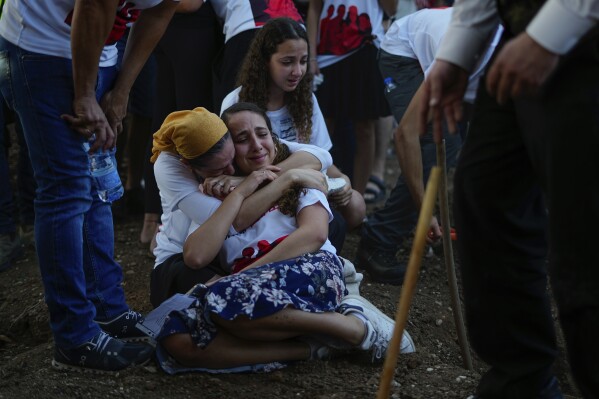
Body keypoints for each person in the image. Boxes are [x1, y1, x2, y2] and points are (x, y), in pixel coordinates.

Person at [150, 103, 415, 374]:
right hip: (253, 292)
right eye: (242, 139)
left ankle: (355, 328)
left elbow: (315, 233)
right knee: (176, 337)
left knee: (223, 299)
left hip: (307, 270)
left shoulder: (300, 180)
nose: (256, 145)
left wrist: (245, 275)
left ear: (274, 138)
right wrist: (240, 191)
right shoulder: (215, 198)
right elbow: (195, 255)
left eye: (262, 134)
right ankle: (315, 349)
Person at [420, 0, 599, 397]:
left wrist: (549, 35)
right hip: (522, 37)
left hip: (582, 36)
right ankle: (523, 383)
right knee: (486, 199)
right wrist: (457, 52)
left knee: (584, 237)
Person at [0, 0, 178, 372]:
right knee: (66, 191)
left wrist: (122, 89)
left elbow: (161, 10)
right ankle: (74, 337)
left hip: (103, 50)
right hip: (42, 47)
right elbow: (96, 4)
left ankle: (105, 310)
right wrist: (84, 94)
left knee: (98, 179)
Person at [357, 7, 499, 284]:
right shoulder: (464, 50)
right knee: (436, 142)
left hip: (444, 47)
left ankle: (470, 228)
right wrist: (425, 212)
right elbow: (405, 135)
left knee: (465, 142)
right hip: (403, 51)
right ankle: (379, 241)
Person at [150, 105, 335, 307]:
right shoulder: (172, 167)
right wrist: (280, 180)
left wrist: (248, 179)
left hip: (265, 265)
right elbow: (231, 222)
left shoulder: (254, 152)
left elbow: (321, 156)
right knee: (207, 306)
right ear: (189, 165)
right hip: (185, 258)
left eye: (262, 134)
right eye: (220, 168)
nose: (230, 171)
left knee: (335, 225)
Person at [220, 17, 366, 237]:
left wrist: (343, 181)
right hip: (257, 190)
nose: (298, 71)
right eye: (287, 62)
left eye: (303, 61)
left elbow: (322, 157)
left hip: (305, 183)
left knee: (356, 206)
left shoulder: (306, 99)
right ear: (265, 61)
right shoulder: (235, 102)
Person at [307, 0, 397, 196]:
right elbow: (314, 7)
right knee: (322, 128)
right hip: (327, 53)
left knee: (364, 128)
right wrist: (311, 55)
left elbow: (391, 9)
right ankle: (319, 196)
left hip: (364, 48)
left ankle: (358, 200)